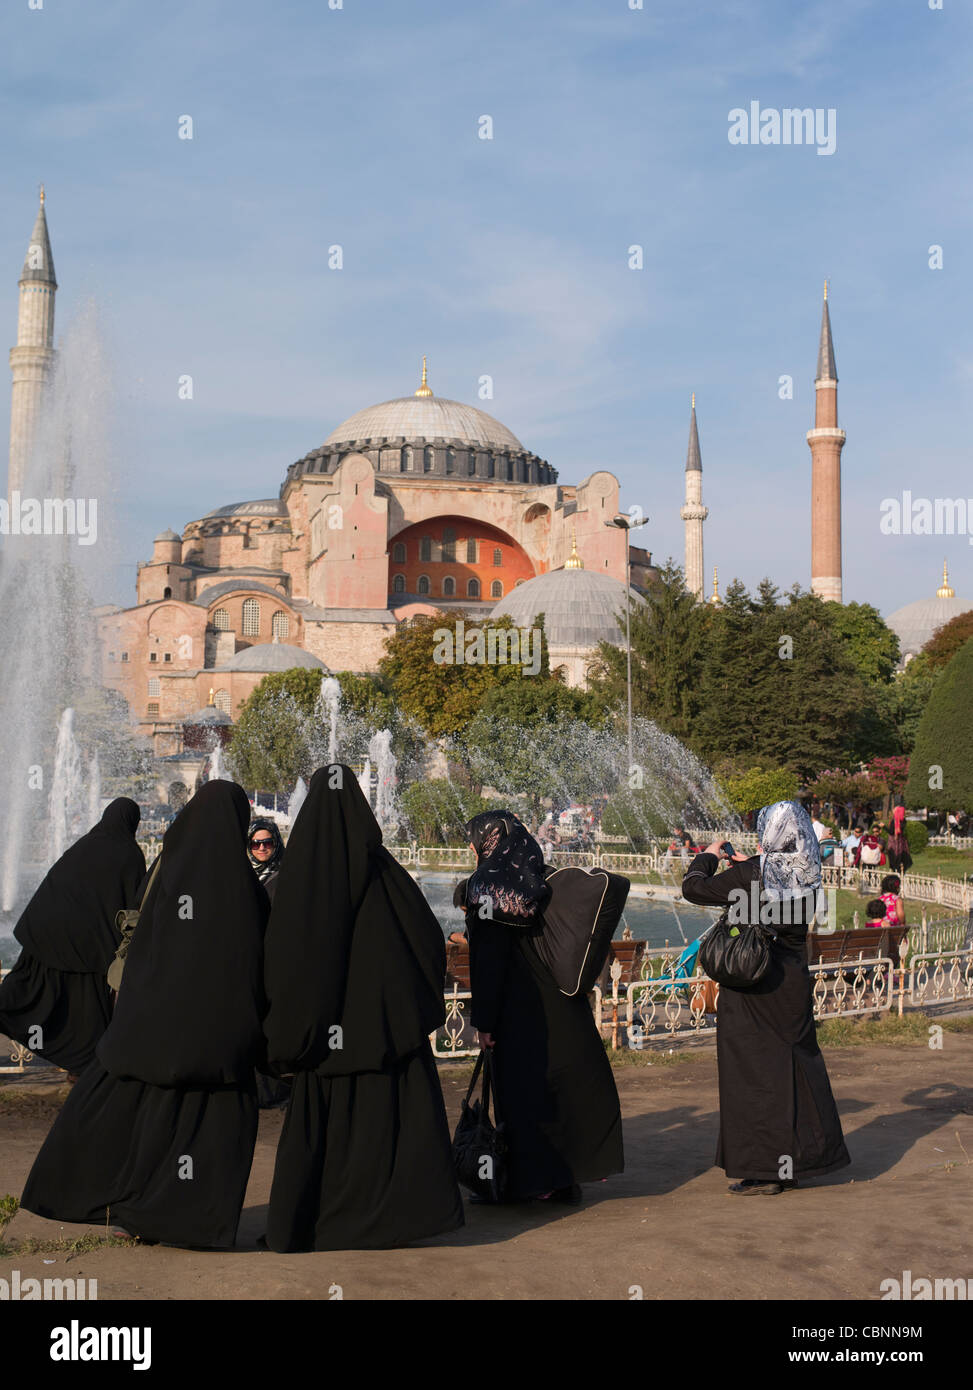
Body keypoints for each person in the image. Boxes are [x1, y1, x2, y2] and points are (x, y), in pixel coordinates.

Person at [21, 780, 270, 1248]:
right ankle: (190, 1220)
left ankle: (123, 1206)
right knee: (209, 1128)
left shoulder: (168, 873)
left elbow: (141, 941)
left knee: (145, 1115)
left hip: (153, 1027)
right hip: (219, 1042)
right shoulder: (245, 890)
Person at [262, 765, 463, 1252]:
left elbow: (288, 960)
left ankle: (313, 1225)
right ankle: (390, 1222)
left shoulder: (301, 881)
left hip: (329, 1043)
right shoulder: (388, 875)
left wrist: (294, 1031)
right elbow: (427, 944)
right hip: (388, 1038)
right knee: (388, 1129)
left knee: (324, 1136)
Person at [681, 800, 850, 1196]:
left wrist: (708, 853)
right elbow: (769, 890)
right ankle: (799, 1160)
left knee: (752, 1076)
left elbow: (694, 889)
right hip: (790, 982)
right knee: (792, 1069)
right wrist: (748, 864)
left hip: (751, 984)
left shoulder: (752, 872)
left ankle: (764, 1170)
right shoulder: (808, 869)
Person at [458, 810, 623, 1205]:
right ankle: (565, 1179)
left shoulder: (484, 886)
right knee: (561, 1092)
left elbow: (490, 960)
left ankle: (535, 1182)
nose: (469, 847)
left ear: (488, 840)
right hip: (561, 1006)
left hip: (517, 1010)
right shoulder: (537, 878)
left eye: (471, 839)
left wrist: (483, 1021)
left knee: (524, 1095)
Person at [0, 799, 146, 1077]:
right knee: (85, 1013)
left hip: (48, 937)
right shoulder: (130, 854)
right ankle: (84, 1068)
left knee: (25, 993)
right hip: (89, 948)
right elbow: (132, 905)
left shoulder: (83, 845)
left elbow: (55, 886)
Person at [247, 817, 284, 901]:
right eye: (255, 844)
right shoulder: (245, 873)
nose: (262, 848)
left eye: (268, 843)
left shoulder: (285, 873)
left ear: (276, 843)